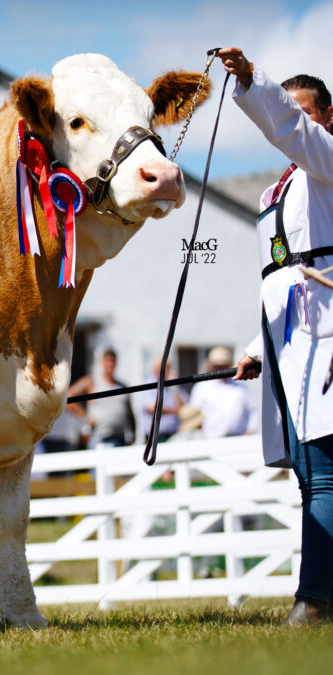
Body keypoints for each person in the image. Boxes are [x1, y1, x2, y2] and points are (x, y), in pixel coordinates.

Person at [219, 47, 333, 626]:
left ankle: (314, 601)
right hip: (293, 343)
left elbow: (289, 126)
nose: (297, 123)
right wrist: (256, 348)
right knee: (310, 475)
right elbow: (283, 279)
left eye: (307, 113)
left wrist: (250, 81)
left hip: (328, 338)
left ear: (328, 120)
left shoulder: (327, 161)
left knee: (324, 473)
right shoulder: (278, 192)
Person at [67, 348, 135, 447]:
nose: (110, 364)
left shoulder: (122, 386)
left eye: (113, 361)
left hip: (120, 439)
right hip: (98, 439)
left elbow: (130, 413)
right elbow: (68, 397)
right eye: (108, 361)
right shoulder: (92, 382)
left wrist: (133, 434)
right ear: (101, 362)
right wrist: (85, 416)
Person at [188, 347, 257, 438]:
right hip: (211, 439)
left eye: (223, 366)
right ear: (211, 366)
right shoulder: (202, 387)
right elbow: (193, 415)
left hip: (238, 438)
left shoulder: (240, 387)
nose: (220, 369)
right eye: (217, 366)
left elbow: (252, 411)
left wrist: (250, 431)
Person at [137, 359, 188, 443]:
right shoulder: (149, 384)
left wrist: (174, 387)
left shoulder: (172, 386)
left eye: (168, 368)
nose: (167, 371)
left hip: (173, 434)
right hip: (155, 437)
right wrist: (173, 411)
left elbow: (184, 406)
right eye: (164, 368)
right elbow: (152, 408)